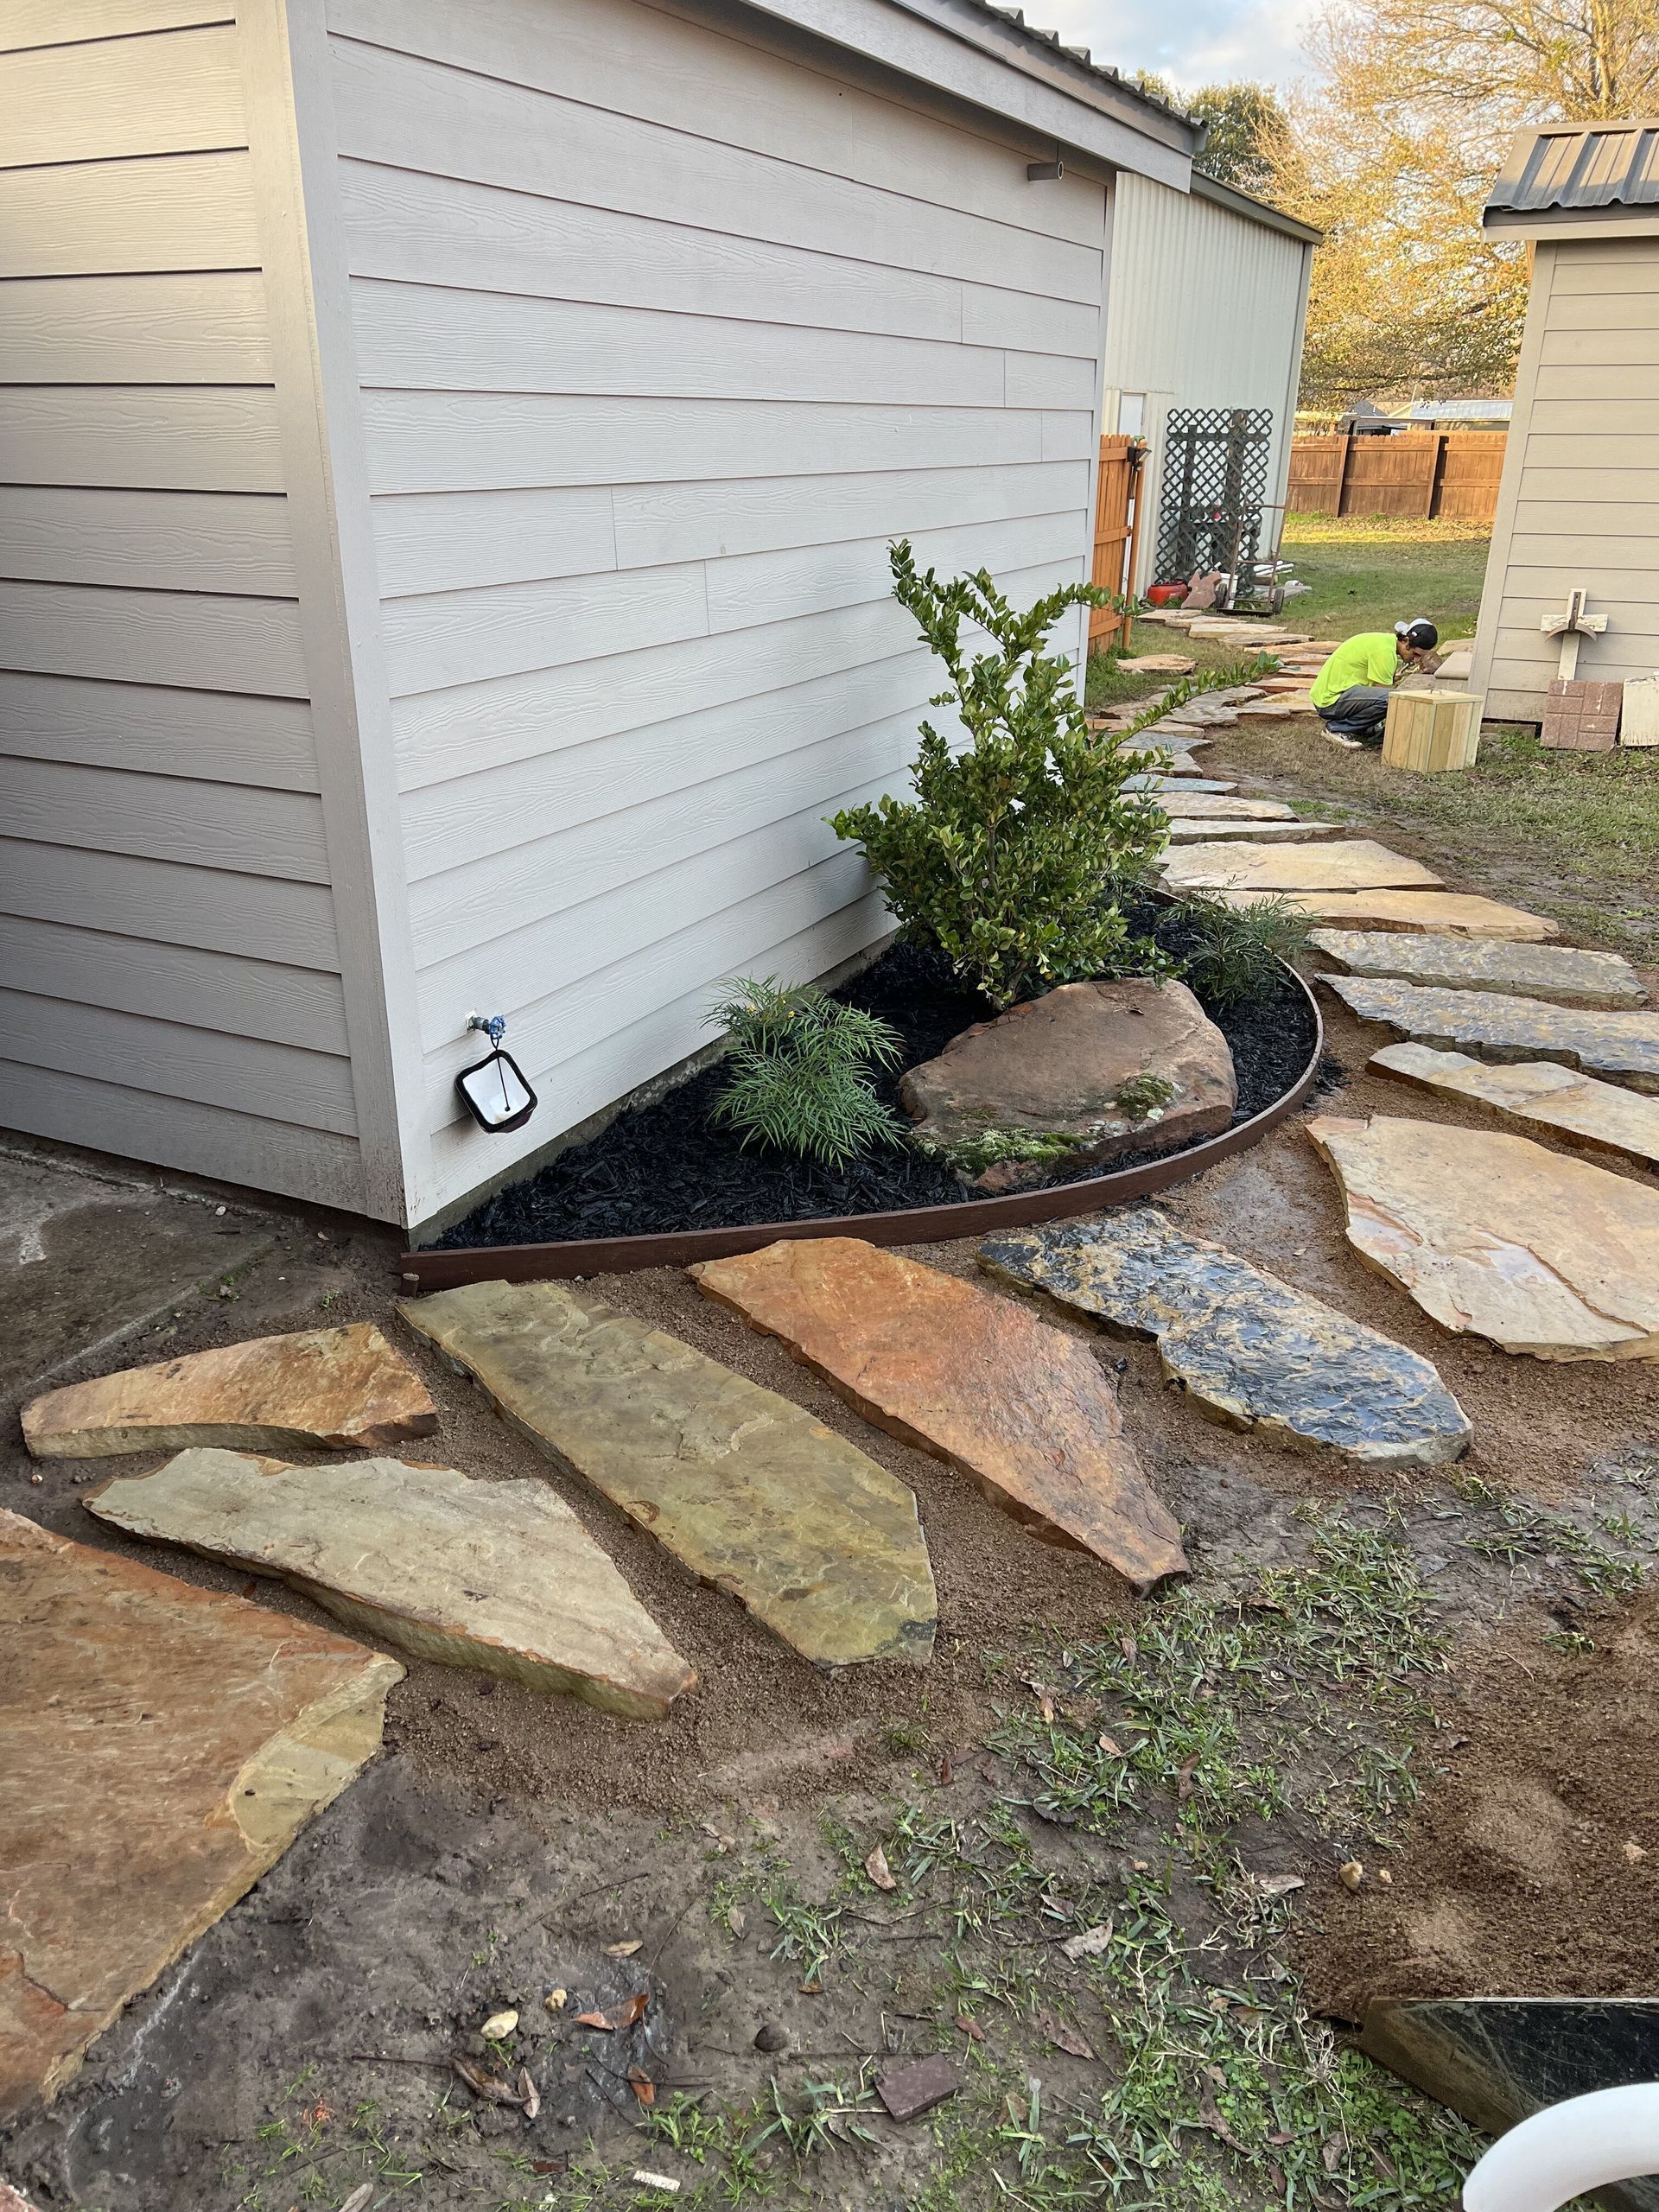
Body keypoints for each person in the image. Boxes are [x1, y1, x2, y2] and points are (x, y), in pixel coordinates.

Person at [1310, 620, 1441, 746]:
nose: (1416, 660)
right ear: (1406, 641)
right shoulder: (1384, 652)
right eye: (1415, 654)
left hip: (1332, 695)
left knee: (1389, 697)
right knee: (1392, 698)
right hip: (1331, 701)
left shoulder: (1384, 642)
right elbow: (1392, 700)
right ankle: (1337, 728)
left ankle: (1365, 728)